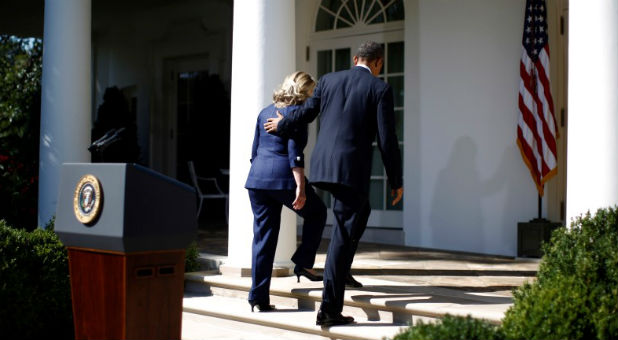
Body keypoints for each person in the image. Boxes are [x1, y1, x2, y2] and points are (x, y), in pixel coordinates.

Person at [264, 41, 403, 326]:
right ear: (378, 63)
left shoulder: (328, 80)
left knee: (359, 213)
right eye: (380, 65)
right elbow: (388, 140)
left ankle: (343, 270)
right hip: (350, 171)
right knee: (341, 234)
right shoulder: (380, 89)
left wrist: (283, 123)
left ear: (355, 59)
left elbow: (307, 112)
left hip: (325, 164)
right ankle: (328, 310)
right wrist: (396, 180)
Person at [245, 71, 327, 313]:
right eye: (311, 92)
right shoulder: (297, 114)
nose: (312, 96)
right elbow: (295, 153)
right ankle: (303, 263)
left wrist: (262, 176)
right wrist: (301, 186)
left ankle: (258, 298)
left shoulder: (264, 112)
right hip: (285, 179)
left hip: (258, 180)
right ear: (304, 92)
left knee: (263, 239)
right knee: (318, 213)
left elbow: (254, 151)